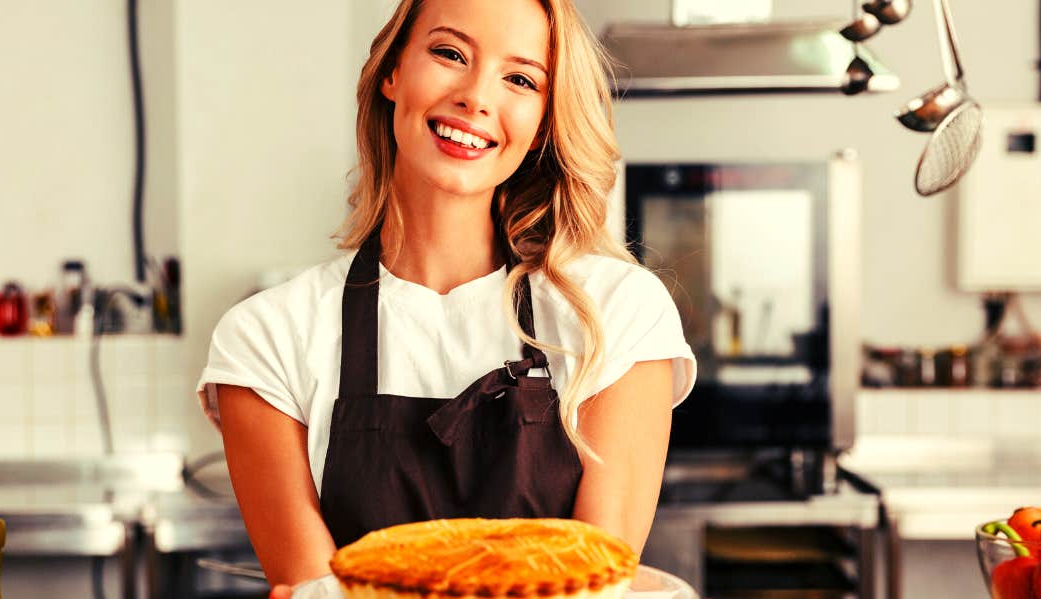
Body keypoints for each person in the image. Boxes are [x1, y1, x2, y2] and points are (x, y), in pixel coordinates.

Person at [195, 0, 697, 592]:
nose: (477, 97)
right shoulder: (266, 337)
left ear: (543, 119)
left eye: (520, 79)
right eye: (449, 53)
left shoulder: (617, 314)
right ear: (391, 73)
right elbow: (313, 587)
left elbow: (594, 586)